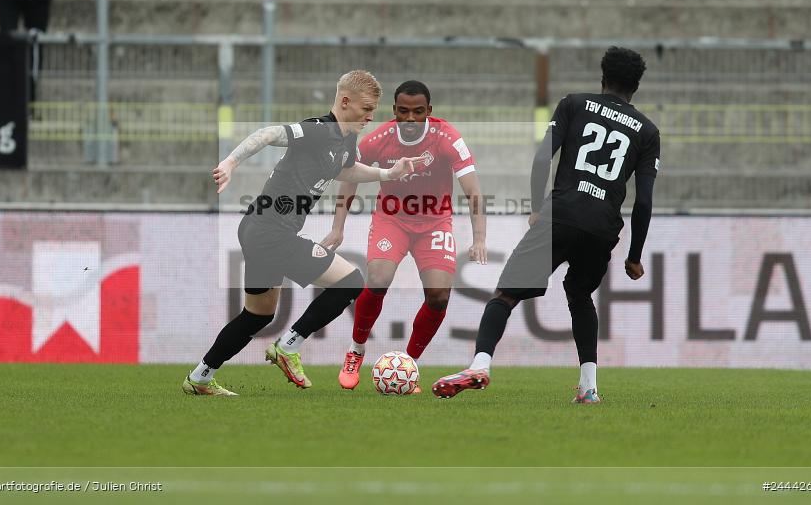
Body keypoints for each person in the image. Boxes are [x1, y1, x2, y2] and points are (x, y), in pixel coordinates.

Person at [432, 47, 661, 404]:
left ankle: (480, 364)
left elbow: (543, 156)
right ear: (636, 86)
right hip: (602, 227)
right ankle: (589, 388)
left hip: (562, 213)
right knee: (580, 294)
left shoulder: (574, 104)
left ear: (602, 79)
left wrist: (538, 207)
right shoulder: (647, 131)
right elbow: (644, 200)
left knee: (506, 294)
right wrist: (634, 256)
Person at [183, 70, 424, 396]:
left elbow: (346, 169)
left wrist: (388, 172)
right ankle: (288, 346)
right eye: (366, 108)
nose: (370, 116)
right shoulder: (318, 130)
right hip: (271, 233)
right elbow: (269, 134)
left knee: (257, 316)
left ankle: (199, 377)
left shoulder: (346, 138)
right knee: (351, 281)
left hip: (259, 231)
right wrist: (230, 162)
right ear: (344, 101)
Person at [320, 80, 487, 392]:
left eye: (418, 112)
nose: (410, 118)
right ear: (394, 111)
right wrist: (337, 227)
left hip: (435, 222)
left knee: (439, 297)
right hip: (392, 219)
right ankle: (356, 351)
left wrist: (479, 238)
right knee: (378, 278)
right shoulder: (378, 140)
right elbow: (349, 178)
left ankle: (407, 367)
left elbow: (473, 190)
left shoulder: (447, 137)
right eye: (404, 111)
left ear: (429, 111)